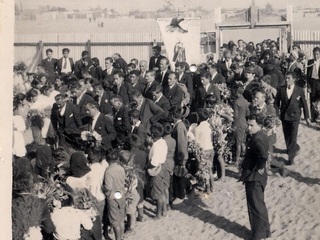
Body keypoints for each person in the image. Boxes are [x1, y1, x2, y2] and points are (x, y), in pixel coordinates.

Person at [240, 113, 271, 240]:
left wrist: (259, 168)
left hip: (254, 177)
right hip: (257, 176)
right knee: (259, 204)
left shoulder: (257, 139)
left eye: (251, 125)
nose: (248, 127)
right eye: (248, 124)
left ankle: (258, 235)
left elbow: (263, 156)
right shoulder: (261, 135)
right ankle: (265, 231)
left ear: (260, 125)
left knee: (255, 206)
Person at [275, 72, 311, 165]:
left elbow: (304, 104)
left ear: (294, 79)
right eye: (286, 78)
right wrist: (277, 114)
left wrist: (307, 117)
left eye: (289, 78)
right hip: (284, 116)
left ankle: (291, 159)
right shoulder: (281, 89)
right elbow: (276, 103)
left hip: (295, 117)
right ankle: (290, 149)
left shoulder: (299, 90)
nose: (287, 80)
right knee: (287, 136)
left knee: (293, 137)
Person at [103, 150, 126, 240]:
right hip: (121, 194)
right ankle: (121, 237)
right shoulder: (121, 168)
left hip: (113, 196)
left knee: (115, 220)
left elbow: (108, 187)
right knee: (121, 218)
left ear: (107, 160)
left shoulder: (109, 171)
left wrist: (103, 187)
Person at [148, 123, 169, 219]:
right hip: (164, 166)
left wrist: (146, 166)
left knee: (158, 193)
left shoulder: (156, 145)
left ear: (153, 135)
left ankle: (158, 214)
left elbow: (154, 162)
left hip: (157, 169)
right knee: (163, 190)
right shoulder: (163, 141)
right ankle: (164, 211)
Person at [194, 108, 215, 197]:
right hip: (211, 148)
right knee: (209, 168)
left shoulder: (198, 128)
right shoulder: (210, 126)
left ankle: (207, 188)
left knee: (204, 170)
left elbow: (197, 142)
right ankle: (212, 186)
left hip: (204, 151)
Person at [171, 106, 188, 204]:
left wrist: (182, 158)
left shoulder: (179, 127)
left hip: (180, 156)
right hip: (180, 155)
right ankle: (180, 194)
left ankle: (180, 196)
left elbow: (181, 144)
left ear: (174, 116)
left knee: (179, 176)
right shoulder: (179, 125)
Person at [232, 84, 250, 166]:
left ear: (237, 92)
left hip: (238, 123)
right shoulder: (245, 101)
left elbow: (235, 115)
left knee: (238, 143)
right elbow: (248, 113)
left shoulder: (236, 102)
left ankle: (237, 160)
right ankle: (245, 157)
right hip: (244, 123)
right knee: (243, 142)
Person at [307, 46, 320, 122]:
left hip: (319, 82)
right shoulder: (310, 62)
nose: (316, 56)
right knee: (313, 99)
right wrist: (308, 85)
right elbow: (308, 75)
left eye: (317, 54)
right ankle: (313, 117)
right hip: (313, 82)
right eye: (314, 54)